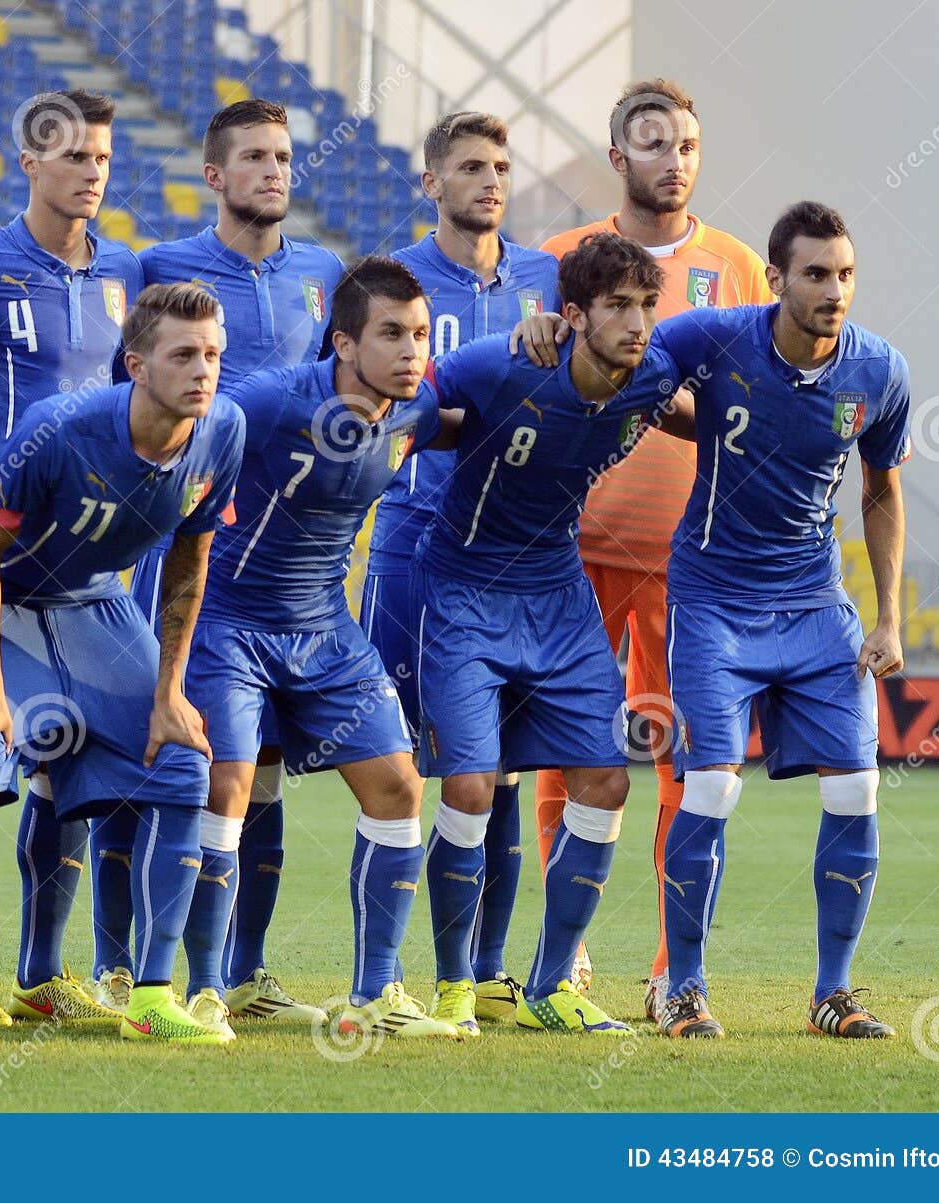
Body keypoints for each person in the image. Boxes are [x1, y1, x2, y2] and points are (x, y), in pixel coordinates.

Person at [0, 282, 244, 1047]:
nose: (203, 371)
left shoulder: (224, 429)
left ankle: (150, 994)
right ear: (134, 364)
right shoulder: (58, 428)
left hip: (95, 603)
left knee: (179, 763)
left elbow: (190, 562)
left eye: (212, 354)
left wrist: (170, 691)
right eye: (182, 355)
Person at [532, 79, 772, 1013]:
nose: (675, 157)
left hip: (694, 559)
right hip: (571, 546)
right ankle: (567, 953)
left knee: (689, 761)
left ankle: (676, 971)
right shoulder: (560, 259)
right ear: (617, 155)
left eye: (688, 143)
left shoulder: (740, 268)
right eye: (654, 141)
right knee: (566, 751)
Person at [416, 233, 694, 1035]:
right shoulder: (500, 365)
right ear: (571, 315)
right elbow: (410, 406)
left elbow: (704, 413)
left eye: (647, 305)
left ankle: (550, 984)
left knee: (607, 781)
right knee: (470, 787)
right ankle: (452, 987)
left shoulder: (652, 378)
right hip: (465, 587)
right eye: (617, 307)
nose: (638, 323)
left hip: (557, 592)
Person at [645, 203, 907, 1040]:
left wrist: (889, 616)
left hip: (817, 604)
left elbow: (881, 488)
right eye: (816, 274)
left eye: (845, 274)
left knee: (860, 785)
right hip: (714, 599)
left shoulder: (880, 371)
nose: (835, 291)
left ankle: (833, 992)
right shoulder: (713, 337)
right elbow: (629, 370)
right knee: (713, 785)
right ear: (776, 276)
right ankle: (684, 987)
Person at [182, 257, 460, 1041]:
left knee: (400, 788)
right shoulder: (271, 401)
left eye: (417, 335)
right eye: (390, 335)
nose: (412, 352)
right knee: (230, 785)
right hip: (230, 619)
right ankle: (208, 990)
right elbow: (185, 447)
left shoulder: (415, 409)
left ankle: (376, 993)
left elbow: (485, 402)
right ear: (342, 341)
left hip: (325, 629)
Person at [113, 98, 343, 1021]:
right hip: (178, 546)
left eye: (284, 157)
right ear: (214, 174)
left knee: (268, 764)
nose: (274, 172)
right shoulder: (160, 269)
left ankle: (243, 974)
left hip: (285, 558)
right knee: (162, 750)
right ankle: (126, 965)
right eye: (253, 157)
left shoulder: (325, 273)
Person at [0, 90, 143, 1034]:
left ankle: (46, 972)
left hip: (90, 561)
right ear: (29, 160)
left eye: (102, 156)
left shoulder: (126, 273)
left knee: (88, 765)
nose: (91, 170)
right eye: (72, 156)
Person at [362, 111, 559, 1026]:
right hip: (415, 537)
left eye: (501, 167)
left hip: (516, 553)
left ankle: (485, 969)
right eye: (471, 167)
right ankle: (386, 975)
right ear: (431, 183)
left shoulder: (543, 279)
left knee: (507, 765)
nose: (491, 181)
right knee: (398, 759)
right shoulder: (393, 283)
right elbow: (380, 404)